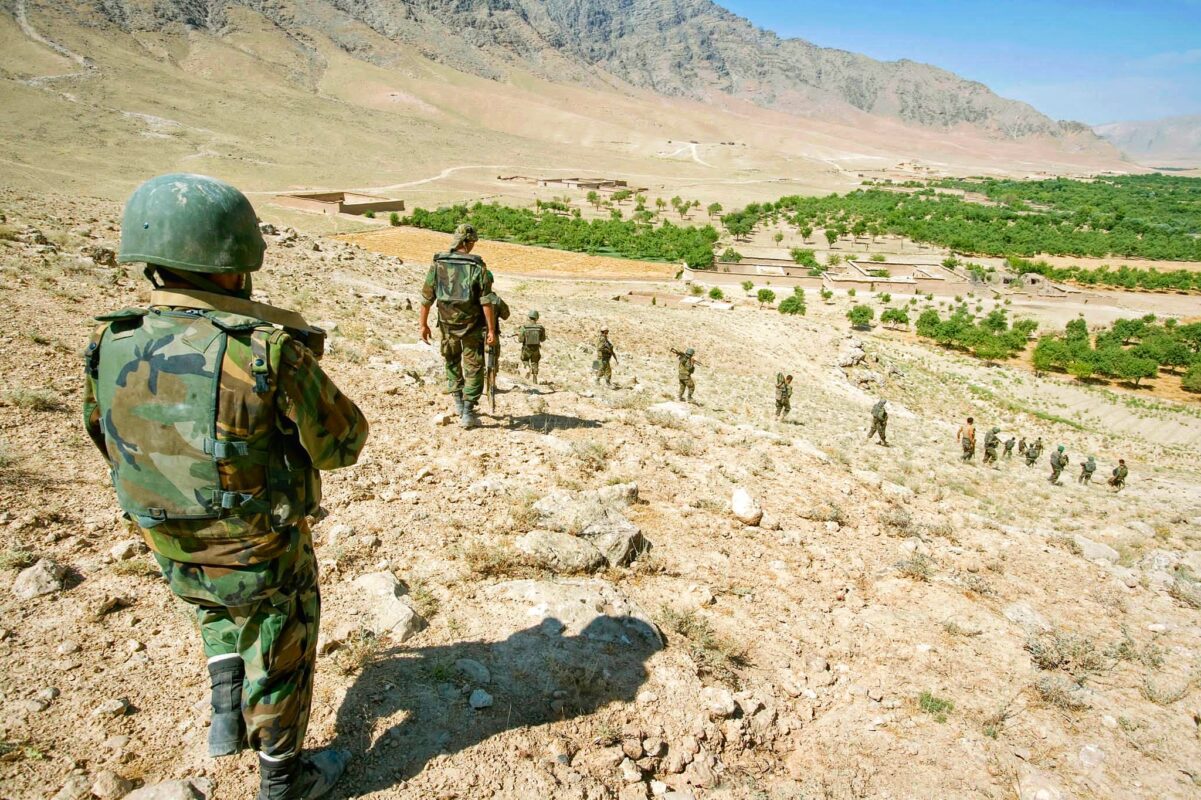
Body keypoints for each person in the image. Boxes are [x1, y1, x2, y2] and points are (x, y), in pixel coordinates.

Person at [83, 173, 369, 800]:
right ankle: (284, 781)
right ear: (234, 261)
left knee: (212, 603)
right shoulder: (263, 348)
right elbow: (343, 444)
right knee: (281, 647)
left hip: (166, 537)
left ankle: (225, 701)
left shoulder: (110, 339)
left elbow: (102, 434)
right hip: (259, 548)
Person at [419, 223, 498, 428]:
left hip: (447, 326)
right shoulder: (477, 267)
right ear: (467, 242)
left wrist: (423, 325)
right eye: (473, 242)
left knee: (452, 362)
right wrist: (491, 329)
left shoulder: (438, 264)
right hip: (472, 327)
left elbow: (427, 298)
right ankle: (468, 412)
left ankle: (459, 404)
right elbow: (486, 302)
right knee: (474, 366)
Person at [517, 310, 546, 384]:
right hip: (536, 349)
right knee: (535, 362)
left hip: (526, 348)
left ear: (529, 317)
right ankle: (535, 377)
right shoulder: (540, 328)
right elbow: (543, 339)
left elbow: (520, 340)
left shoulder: (524, 327)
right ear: (537, 318)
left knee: (524, 359)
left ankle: (527, 367)